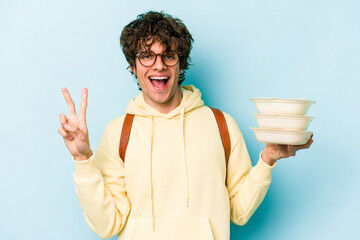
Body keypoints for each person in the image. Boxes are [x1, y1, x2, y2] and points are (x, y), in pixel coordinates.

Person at [58, 11, 313, 240]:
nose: (159, 64)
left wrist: (267, 160)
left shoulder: (220, 124)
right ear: (132, 66)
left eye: (168, 55)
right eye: (147, 56)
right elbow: (106, 225)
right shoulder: (118, 133)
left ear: (181, 62)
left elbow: (239, 212)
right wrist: (82, 158)